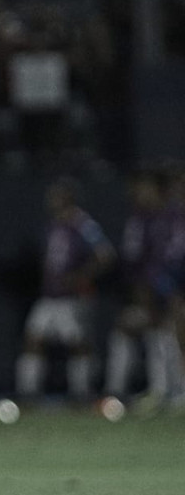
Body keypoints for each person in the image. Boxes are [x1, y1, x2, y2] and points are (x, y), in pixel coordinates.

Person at [16, 178, 115, 402]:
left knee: (78, 344)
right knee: (33, 339)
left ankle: (81, 393)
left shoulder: (82, 224)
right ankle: (28, 393)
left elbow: (105, 255)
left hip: (73, 297)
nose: (51, 200)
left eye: (57, 195)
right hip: (50, 296)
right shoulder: (53, 225)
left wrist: (81, 276)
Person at [105, 171, 182, 405]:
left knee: (172, 330)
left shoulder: (172, 217)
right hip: (158, 289)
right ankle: (155, 391)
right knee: (150, 329)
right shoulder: (151, 218)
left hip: (170, 289)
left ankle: (174, 391)